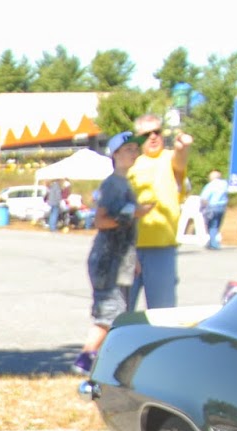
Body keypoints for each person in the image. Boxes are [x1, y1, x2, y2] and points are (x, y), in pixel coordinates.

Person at [74, 132, 151, 375]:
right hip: (108, 261)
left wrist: (133, 258)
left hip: (120, 259)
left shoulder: (124, 183)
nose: (134, 153)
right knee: (110, 314)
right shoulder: (112, 184)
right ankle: (85, 360)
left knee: (118, 314)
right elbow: (101, 221)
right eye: (128, 149)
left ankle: (105, 363)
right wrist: (135, 212)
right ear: (115, 154)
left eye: (135, 149)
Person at [126, 113, 192, 310]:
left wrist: (183, 147)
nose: (153, 137)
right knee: (122, 312)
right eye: (147, 134)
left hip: (162, 247)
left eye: (157, 132)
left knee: (162, 312)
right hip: (130, 247)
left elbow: (180, 162)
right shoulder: (130, 165)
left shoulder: (169, 158)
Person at [200, 170, 229, 250]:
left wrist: (203, 207)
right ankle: (211, 242)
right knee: (217, 225)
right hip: (222, 207)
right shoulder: (224, 184)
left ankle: (214, 244)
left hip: (212, 207)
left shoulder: (210, 185)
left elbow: (204, 198)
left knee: (212, 226)